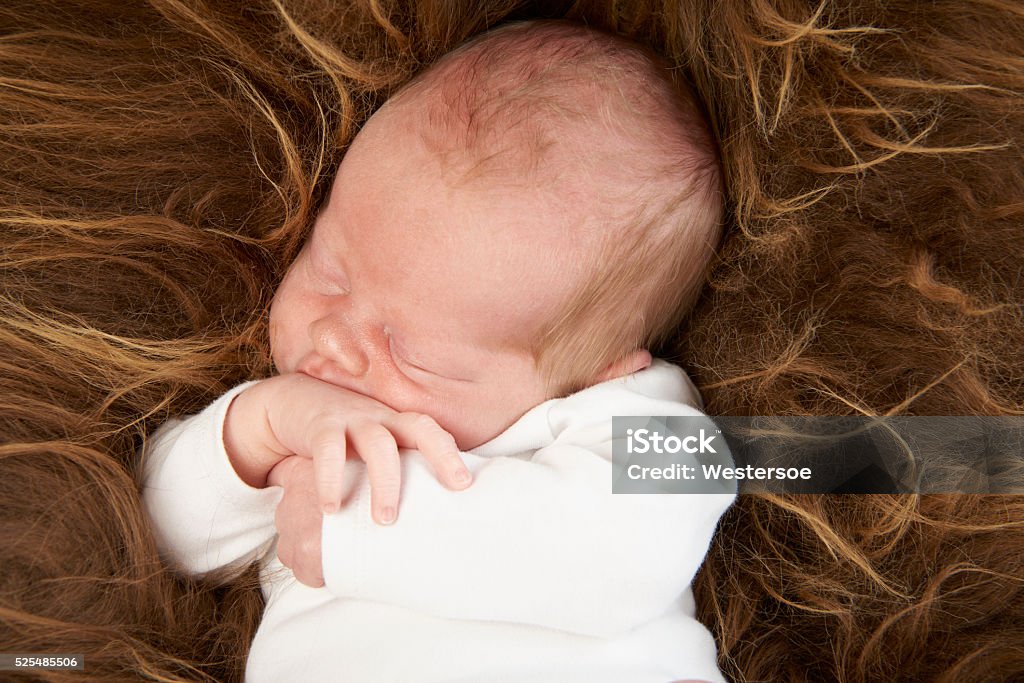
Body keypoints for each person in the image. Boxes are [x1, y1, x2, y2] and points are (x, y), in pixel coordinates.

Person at [140, 19, 734, 683]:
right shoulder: (305, 429)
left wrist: (364, 532)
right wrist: (257, 431)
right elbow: (161, 536)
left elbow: (631, 553)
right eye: (330, 268)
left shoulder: (621, 417)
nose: (335, 337)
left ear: (592, 373)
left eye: (414, 352)